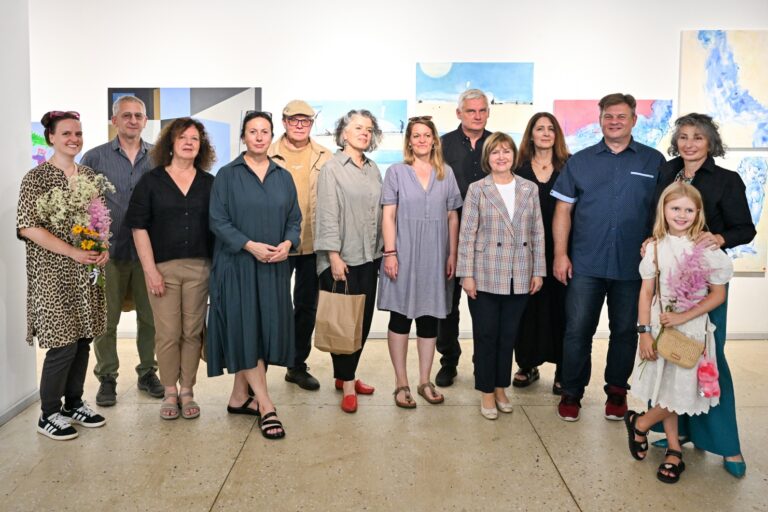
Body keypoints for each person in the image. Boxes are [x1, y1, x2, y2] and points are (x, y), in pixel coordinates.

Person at [648, 113, 756, 478]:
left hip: (705, 284)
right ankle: (674, 432)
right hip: (667, 285)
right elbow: (658, 215)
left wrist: (721, 238)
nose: (689, 143)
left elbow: (746, 228)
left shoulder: (727, 179)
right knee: (671, 359)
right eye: (683, 136)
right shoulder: (667, 172)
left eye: (698, 137)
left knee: (708, 362)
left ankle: (727, 444)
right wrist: (652, 237)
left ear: (710, 142)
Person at [551, 93, 666, 422]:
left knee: (625, 332)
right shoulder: (580, 161)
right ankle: (572, 392)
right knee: (577, 330)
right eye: (608, 116)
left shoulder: (653, 161)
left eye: (621, 116)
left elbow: (665, 212)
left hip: (632, 266)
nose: (614, 121)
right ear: (600, 119)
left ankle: (617, 391)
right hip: (586, 262)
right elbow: (563, 210)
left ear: (634, 120)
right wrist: (560, 254)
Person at [625, 182, 732, 484]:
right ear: (664, 210)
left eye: (688, 209)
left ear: (698, 213)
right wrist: (644, 332)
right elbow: (646, 293)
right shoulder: (655, 248)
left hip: (692, 329)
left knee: (680, 388)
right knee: (664, 388)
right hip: (659, 328)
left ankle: (640, 423)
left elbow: (717, 295)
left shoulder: (707, 249)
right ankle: (674, 449)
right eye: (675, 208)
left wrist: (684, 315)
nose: (681, 214)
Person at [207, 111, 300, 439]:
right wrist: (249, 246)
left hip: (274, 267)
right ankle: (266, 404)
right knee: (245, 330)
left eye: (265, 131)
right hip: (238, 266)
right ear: (243, 137)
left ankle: (238, 398)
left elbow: (294, 219)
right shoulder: (227, 175)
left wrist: (289, 243)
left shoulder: (282, 176)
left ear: (271, 136)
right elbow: (218, 221)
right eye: (253, 131)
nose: (259, 137)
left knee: (261, 332)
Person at [17, 110, 108, 440]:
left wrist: (103, 246)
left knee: (84, 339)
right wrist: (71, 251)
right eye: (67, 133)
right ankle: (48, 413)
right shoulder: (36, 178)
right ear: (50, 137)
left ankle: (73, 403)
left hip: (86, 274)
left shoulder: (86, 175)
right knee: (62, 344)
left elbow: (99, 220)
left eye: (78, 133)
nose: (74, 139)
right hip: (52, 274)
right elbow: (28, 227)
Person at [125, 117, 214, 421]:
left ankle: (187, 389)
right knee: (167, 332)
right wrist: (150, 271)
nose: (189, 142)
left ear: (201, 146)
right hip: (161, 268)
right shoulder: (152, 181)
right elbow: (138, 228)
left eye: (195, 138)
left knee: (191, 332)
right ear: (171, 144)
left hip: (200, 268)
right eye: (183, 137)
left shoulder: (209, 182)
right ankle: (169, 391)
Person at [80, 95, 162, 406]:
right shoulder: (95, 158)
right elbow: (82, 205)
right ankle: (107, 378)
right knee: (105, 320)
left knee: (150, 318)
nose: (132, 120)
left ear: (145, 121)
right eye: (125, 115)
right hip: (107, 253)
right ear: (115, 120)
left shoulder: (157, 157)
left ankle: (147, 373)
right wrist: (90, 246)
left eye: (138, 115)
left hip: (147, 255)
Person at [456, 132, 545, 419]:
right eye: (495, 152)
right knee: (486, 335)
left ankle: (500, 386)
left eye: (506, 151)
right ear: (488, 158)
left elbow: (537, 233)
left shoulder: (529, 188)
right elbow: (467, 235)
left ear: (513, 156)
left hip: (519, 272)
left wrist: (539, 271)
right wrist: (466, 275)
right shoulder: (477, 189)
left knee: (508, 336)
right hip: (484, 273)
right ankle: (486, 391)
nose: (501, 156)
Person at [378, 116, 462, 408]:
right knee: (400, 317)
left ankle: (424, 381)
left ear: (434, 140)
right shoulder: (396, 172)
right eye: (417, 135)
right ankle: (401, 384)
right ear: (409, 141)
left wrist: (452, 253)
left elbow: (453, 215)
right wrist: (390, 253)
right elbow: (388, 215)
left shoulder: (445, 173)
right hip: (403, 253)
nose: (422, 140)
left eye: (427, 135)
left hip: (436, 255)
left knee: (429, 318)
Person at [314, 109, 384, 413]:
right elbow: (327, 213)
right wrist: (333, 256)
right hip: (342, 258)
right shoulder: (332, 168)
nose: (364, 133)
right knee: (343, 320)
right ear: (343, 133)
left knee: (362, 320)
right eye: (358, 128)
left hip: (370, 255)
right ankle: (348, 380)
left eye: (369, 129)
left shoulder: (373, 169)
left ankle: (345, 377)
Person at [268, 100, 331, 391]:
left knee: (306, 307)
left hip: (313, 244)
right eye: (294, 120)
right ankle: (262, 362)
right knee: (273, 305)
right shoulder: (267, 153)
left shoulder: (325, 156)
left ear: (312, 123)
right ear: (284, 122)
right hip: (276, 245)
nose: (299, 125)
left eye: (305, 120)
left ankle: (296, 364)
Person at [436, 89, 492, 387]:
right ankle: (448, 362)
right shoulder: (442, 145)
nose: (477, 116)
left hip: (489, 237)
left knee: (484, 306)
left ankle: (482, 366)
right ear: (459, 113)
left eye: (482, 111)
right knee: (447, 306)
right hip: (448, 233)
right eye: (471, 111)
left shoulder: (497, 144)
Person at [513, 112, 570, 394]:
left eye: (551, 129)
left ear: (556, 134)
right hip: (525, 252)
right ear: (531, 134)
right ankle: (526, 364)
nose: (545, 133)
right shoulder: (518, 167)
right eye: (539, 128)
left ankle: (563, 368)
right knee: (526, 310)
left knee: (562, 310)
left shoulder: (569, 166)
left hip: (561, 250)